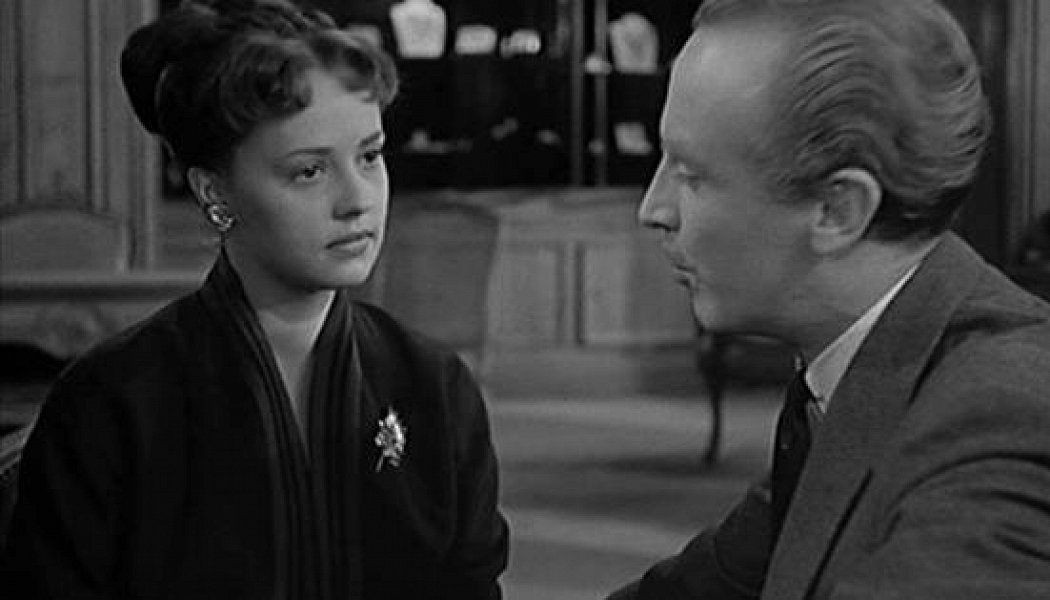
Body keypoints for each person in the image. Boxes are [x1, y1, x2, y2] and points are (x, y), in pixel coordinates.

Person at [0, 1, 508, 598]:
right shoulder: (113, 405)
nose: (358, 199)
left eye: (370, 156)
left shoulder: (433, 389)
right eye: (309, 171)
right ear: (215, 192)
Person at [608, 0, 1050, 598]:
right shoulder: (847, 377)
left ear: (837, 210)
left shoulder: (999, 423)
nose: (653, 210)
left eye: (691, 175)